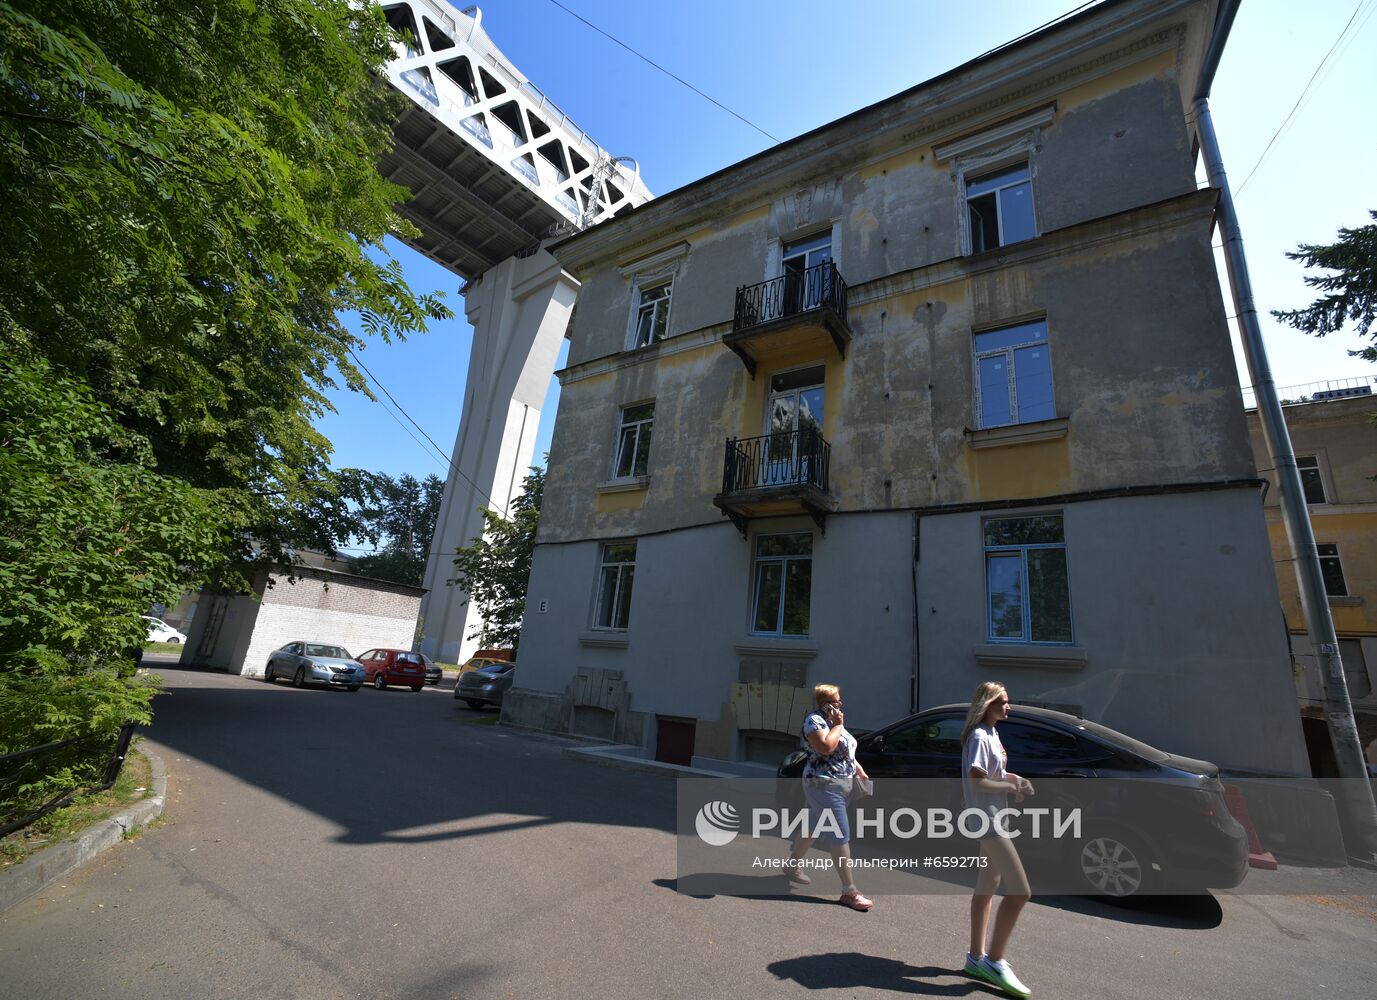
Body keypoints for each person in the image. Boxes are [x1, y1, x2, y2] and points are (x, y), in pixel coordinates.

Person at [961, 681, 1033, 999]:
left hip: (992, 818)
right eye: (1003, 701)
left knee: (987, 889)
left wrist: (1015, 779)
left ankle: (976, 958)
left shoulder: (992, 733)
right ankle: (994, 960)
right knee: (1020, 891)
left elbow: (994, 772)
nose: (1008, 706)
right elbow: (978, 782)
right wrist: (1009, 789)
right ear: (987, 704)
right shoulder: (978, 735)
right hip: (986, 821)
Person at [785, 683, 873, 911]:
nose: (840, 704)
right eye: (836, 701)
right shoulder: (814, 722)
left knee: (814, 824)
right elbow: (825, 747)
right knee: (840, 833)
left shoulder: (833, 723)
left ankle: (792, 865)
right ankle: (849, 891)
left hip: (841, 785)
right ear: (826, 704)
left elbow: (845, 749)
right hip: (822, 784)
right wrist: (839, 725)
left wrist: (858, 769)